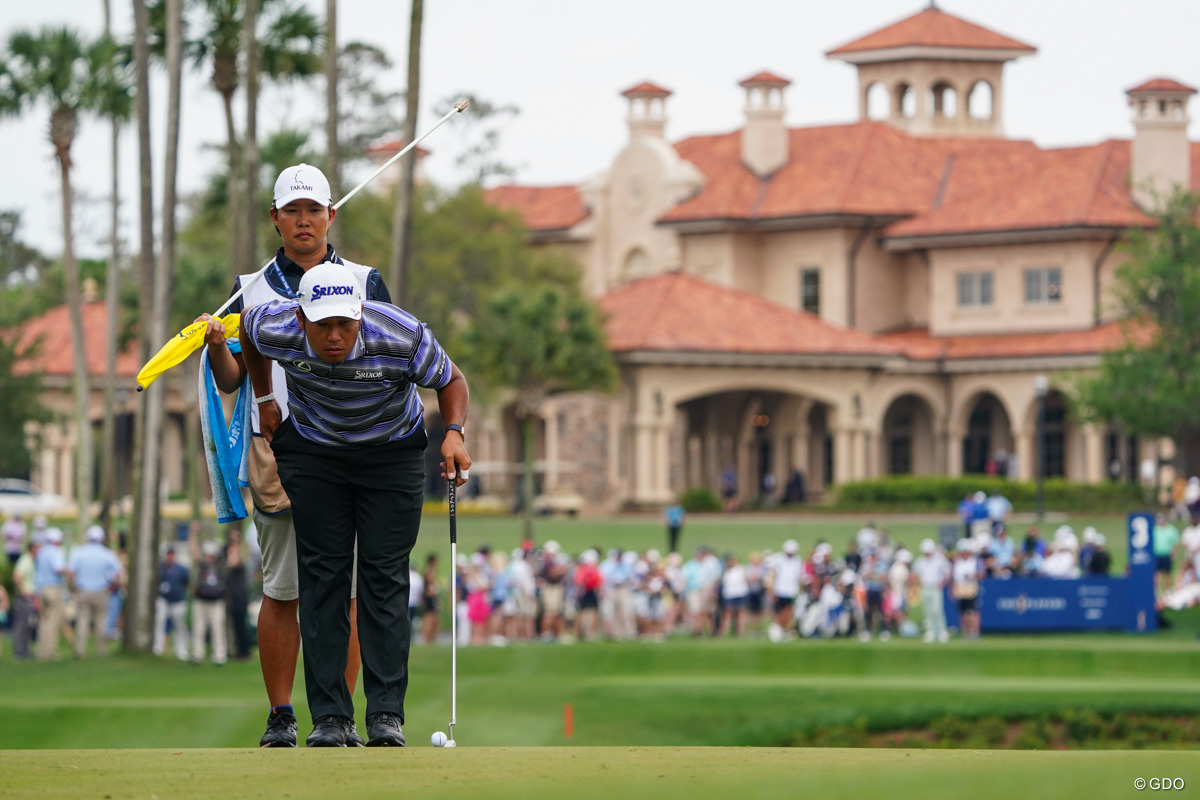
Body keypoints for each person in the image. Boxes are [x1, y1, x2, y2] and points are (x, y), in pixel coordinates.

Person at [239, 259, 471, 748]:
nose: (335, 336)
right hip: (316, 450)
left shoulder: (400, 333)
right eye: (323, 325)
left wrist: (453, 433)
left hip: (391, 452)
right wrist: (264, 398)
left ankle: (386, 714)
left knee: (383, 576)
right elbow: (247, 330)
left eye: (345, 322)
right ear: (300, 320)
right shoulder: (275, 323)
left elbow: (451, 380)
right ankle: (330, 719)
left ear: (361, 315)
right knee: (323, 576)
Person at [199, 164, 388, 747]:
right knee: (284, 588)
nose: (303, 221)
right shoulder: (246, 288)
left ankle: (341, 718)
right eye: (292, 210)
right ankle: (282, 715)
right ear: (274, 218)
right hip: (275, 449)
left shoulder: (364, 281)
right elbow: (232, 379)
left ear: (331, 215)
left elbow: (385, 356)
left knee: (349, 591)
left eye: (314, 210)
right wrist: (214, 348)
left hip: (351, 446)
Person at [66, 525, 123, 658]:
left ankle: (80, 649)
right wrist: (113, 585)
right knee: (101, 621)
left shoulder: (78, 552)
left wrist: (72, 587)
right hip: (101, 591)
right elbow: (119, 572)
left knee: (82, 621)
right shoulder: (107, 553)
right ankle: (101, 650)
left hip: (83, 591)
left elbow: (71, 572)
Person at [190, 539, 228, 665]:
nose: (210, 558)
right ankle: (197, 654)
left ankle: (219, 655)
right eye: (207, 555)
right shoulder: (201, 565)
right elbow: (194, 553)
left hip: (216, 601)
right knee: (198, 629)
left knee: (218, 629)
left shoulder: (220, 566)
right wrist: (194, 534)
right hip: (201, 601)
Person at [34, 527, 67, 660]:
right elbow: (58, 568)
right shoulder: (56, 551)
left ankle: (41, 650)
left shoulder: (41, 551)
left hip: (41, 588)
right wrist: (68, 570)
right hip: (53, 587)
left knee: (43, 621)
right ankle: (50, 651)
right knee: (53, 620)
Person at [153, 546, 191, 661]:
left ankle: (181, 649)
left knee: (179, 625)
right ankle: (158, 646)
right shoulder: (161, 568)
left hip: (178, 600)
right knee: (160, 621)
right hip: (163, 599)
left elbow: (186, 583)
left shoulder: (182, 570)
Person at [911, 538, 951, 644]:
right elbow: (914, 573)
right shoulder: (921, 561)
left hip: (935, 588)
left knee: (937, 610)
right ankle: (930, 632)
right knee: (928, 611)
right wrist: (919, 583)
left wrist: (942, 582)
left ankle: (941, 631)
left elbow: (947, 571)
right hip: (925, 588)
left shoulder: (940, 559)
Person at [12, 534, 39, 659]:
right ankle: (21, 651)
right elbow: (17, 577)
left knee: (28, 625)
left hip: (30, 596)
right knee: (23, 625)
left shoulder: (31, 560)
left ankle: (25, 650)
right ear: (32, 548)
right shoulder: (26, 560)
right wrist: (23, 591)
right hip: (25, 597)